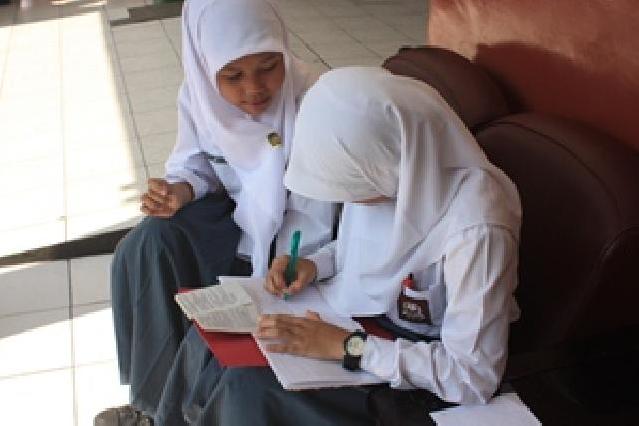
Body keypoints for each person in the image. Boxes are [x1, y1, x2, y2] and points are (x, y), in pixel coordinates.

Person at [152, 66, 522, 425]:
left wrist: (349, 347)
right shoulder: (398, 176)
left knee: (248, 386)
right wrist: (314, 265)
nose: (353, 202)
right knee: (212, 341)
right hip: (359, 317)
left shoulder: (478, 231)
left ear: (393, 163)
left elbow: (472, 376)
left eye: (355, 190)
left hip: (414, 368)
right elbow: (360, 247)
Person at [100, 0, 335, 423]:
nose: (254, 89)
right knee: (149, 242)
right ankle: (151, 406)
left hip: (301, 247)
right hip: (236, 232)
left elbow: (327, 211)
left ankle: (174, 409)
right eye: (233, 76)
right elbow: (195, 166)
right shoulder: (198, 96)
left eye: (269, 67)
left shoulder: (319, 100)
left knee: (237, 363)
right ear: (206, 68)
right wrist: (179, 190)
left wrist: (306, 262)